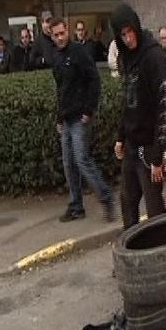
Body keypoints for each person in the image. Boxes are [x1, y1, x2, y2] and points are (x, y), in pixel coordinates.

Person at [110, 4, 166, 230]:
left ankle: (160, 254)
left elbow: (164, 109)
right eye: (122, 35)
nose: (127, 39)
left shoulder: (154, 57)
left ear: (136, 27)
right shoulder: (126, 58)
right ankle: (131, 254)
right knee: (128, 203)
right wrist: (120, 137)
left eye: (130, 32)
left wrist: (157, 157)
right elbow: (127, 103)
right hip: (131, 144)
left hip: (149, 148)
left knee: (154, 207)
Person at [49, 18, 114, 223]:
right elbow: (61, 90)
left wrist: (89, 109)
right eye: (56, 35)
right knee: (69, 164)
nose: (60, 37)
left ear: (67, 31)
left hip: (80, 118)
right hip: (66, 118)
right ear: (52, 36)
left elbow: (94, 79)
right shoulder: (56, 57)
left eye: (62, 33)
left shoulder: (78, 52)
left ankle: (106, 198)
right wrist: (59, 117)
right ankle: (76, 206)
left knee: (82, 160)